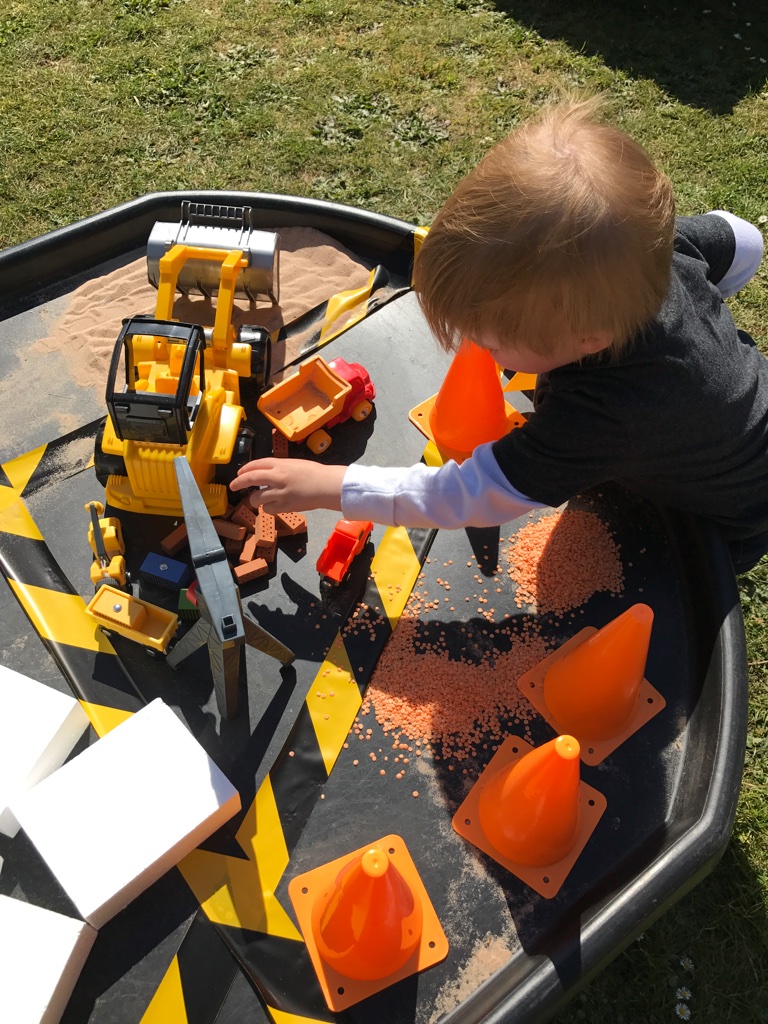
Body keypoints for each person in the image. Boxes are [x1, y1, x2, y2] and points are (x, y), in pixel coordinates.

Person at [231, 95, 768, 575]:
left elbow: (469, 496)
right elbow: (745, 240)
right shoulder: (654, 256)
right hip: (728, 411)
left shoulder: (603, 414)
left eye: (492, 344)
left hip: (728, 504)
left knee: (679, 572)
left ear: (589, 338)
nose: (478, 351)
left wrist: (334, 487)